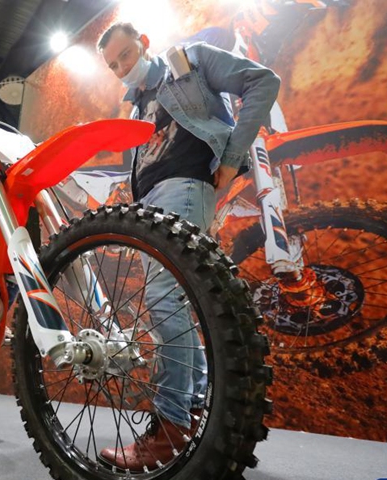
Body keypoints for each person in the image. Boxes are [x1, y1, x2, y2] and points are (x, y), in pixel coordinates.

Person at [96, 22, 280, 470]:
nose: (123, 67)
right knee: (175, 308)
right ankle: (192, 415)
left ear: (143, 42)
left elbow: (263, 81)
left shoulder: (191, 60)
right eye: (114, 64)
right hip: (151, 204)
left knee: (164, 299)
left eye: (125, 54)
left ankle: (171, 425)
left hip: (184, 189)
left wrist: (232, 159)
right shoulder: (137, 103)